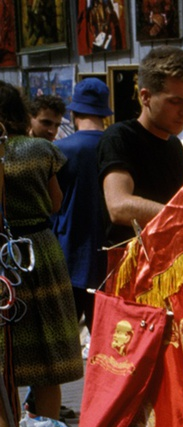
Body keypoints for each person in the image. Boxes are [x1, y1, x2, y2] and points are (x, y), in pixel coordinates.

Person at [0, 83, 83, 427]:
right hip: (39, 253)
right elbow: (54, 202)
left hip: (3, 255)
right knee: (48, 359)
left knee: (5, 359)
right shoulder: (40, 149)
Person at [97, 46, 183, 247]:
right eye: (175, 102)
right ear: (145, 97)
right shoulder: (119, 137)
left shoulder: (174, 145)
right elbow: (118, 206)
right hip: (134, 267)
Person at [53, 77, 113, 333]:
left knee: (65, 343)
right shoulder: (116, 146)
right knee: (109, 346)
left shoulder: (59, 149)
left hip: (70, 254)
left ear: (73, 112)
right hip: (111, 257)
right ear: (105, 113)